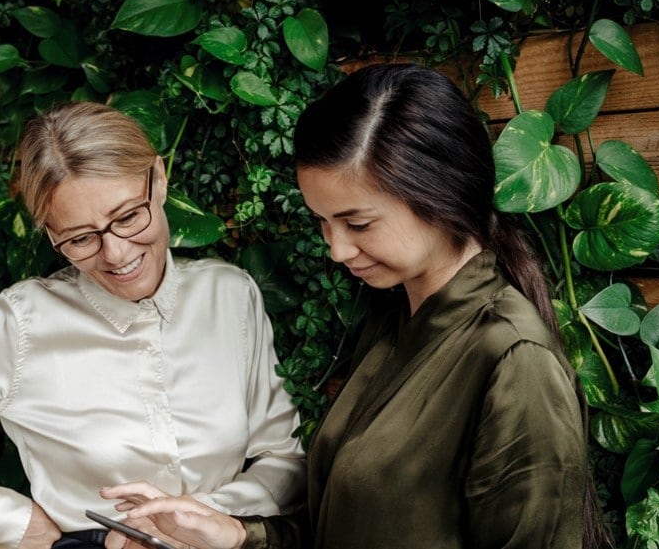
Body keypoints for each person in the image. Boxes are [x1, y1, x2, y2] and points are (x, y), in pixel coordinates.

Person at [100, 63, 608, 548]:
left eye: (358, 224)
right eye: (323, 223)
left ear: (440, 194)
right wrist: (233, 535)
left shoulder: (514, 359)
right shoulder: (392, 328)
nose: (337, 250)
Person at [0, 101, 306, 549]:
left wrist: (204, 517)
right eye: (80, 239)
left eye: (129, 216)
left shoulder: (230, 294)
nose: (116, 254)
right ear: (50, 233)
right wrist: (3, 518)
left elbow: (285, 459)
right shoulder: (21, 324)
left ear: (158, 179)